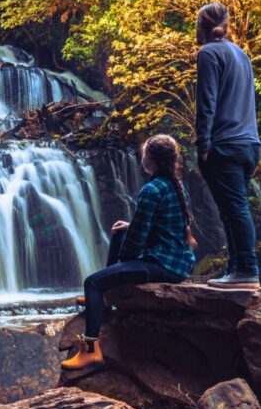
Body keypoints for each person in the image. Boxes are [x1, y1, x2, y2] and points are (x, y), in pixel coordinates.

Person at [62, 135, 196, 371]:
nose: (141, 157)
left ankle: (91, 349)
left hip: (163, 264)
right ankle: (104, 299)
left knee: (92, 283)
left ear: (150, 160)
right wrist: (128, 228)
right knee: (119, 232)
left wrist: (119, 268)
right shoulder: (175, 184)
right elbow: (156, 226)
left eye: (144, 154)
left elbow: (136, 243)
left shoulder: (151, 190)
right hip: (179, 260)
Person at [194, 2, 261, 289]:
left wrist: (203, 143)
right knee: (231, 209)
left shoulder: (208, 53)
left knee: (234, 208)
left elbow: (206, 102)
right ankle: (236, 269)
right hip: (249, 143)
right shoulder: (241, 54)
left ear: (201, 27)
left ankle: (246, 270)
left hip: (225, 144)